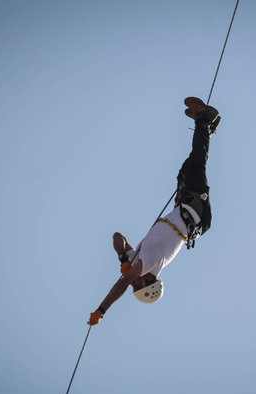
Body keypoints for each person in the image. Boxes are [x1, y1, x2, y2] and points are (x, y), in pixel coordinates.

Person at [87, 97, 221, 326]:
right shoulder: (151, 264)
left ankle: (206, 126)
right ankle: (204, 120)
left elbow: (117, 237)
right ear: (148, 281)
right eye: (136, 286)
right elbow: (120, 284)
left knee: (187, 169)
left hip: (186, 210)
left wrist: (123, 257)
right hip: (195, 212)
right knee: (196, 165)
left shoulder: (140, 261)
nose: (131, 283)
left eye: (133, 286)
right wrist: (102, 309)